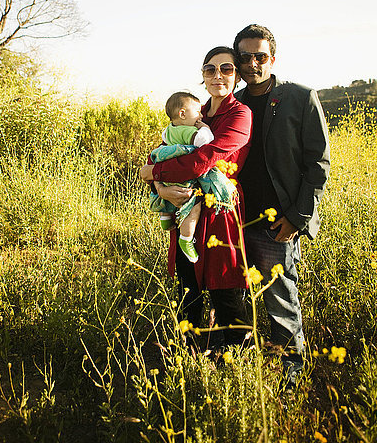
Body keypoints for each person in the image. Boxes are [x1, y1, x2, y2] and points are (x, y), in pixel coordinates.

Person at [233, 24, 330, 385]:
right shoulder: (232, 103)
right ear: (238, 61)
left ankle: (288, 384)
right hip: (234, 222)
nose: (253, 63)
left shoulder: (300, 97)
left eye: (261, 56)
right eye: (245, 57)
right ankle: (244, 375)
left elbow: (318, 163)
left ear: (272, 58)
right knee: (236, 300)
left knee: (281, 305)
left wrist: (296, 218)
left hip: (278, 224)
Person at [140, 46, 252, 345]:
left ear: (237, 75)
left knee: (224, 286)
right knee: (187, 289)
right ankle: (187, 355)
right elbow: (165, 153)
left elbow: (204, 160)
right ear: (203, 76)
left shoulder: (240, 114)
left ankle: (236, 358)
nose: (218, 75)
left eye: (226, 69)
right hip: (186, 203)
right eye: (210, 69)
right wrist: (160, 187)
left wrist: (154, 174)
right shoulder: (192, 111)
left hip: (218, 208)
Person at [150, 91, 236, 264]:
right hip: (184, 176)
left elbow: (164, 144)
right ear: (182, 114)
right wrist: (205, 127)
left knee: (167, 194)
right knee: (193, 206)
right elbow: (206, 141)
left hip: (167, 173)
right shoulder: (189, 131)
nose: (200, 115)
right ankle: (186, 238)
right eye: (197, 112)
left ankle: (166, 218)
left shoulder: (168, 131)